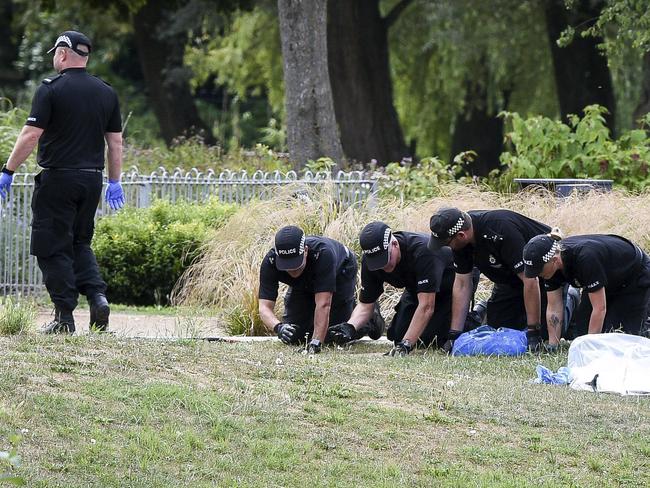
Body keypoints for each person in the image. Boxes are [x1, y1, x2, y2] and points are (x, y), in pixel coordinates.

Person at [0, 31, 124, 334]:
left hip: (58, 179)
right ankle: (98, 297)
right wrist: (114, 182)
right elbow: (116, 143)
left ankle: (63, 317)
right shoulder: (106, 92)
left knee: (51, 246)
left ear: (64, 54)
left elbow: (30, 135)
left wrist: (8, 170)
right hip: (92, 181)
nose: (55, 57)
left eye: (56, 52)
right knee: (80, 242)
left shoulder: (50, 90)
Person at [428, 207, 560, 352]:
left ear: (461, 235)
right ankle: (486, 308)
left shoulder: (500, 229)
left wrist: (534, 331)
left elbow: (530, 279)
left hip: (543, 275)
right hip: (508, 280)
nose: (447, 247)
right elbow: (462, 284)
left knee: (548, 332)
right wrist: (454, 335)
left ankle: (569, 299)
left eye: (446, 243)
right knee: (500, 331)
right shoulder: (460, 242)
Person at [329, 221, 456, 356]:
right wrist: (349, 327)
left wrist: (406, 344)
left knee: (432, 339)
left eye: (385, 259)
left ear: (394, 244)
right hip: (417, 290)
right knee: (397, 335)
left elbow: (426, 307)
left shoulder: (423, 251)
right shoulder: (371, 261)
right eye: (377, 262)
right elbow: (366, 305)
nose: (383, 267)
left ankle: (476, 315)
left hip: (450, 288)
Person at [258, 225, 382, 354]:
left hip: (341, 270)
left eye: (295, 264)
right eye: (286, 266)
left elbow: (323, 304)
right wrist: (279, 327)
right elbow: (264, 307)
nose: (291, 270)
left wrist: (316, 342)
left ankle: (370, 318)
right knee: (294, 335)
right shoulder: (270, 261)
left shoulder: (323, 254)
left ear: (305, 251)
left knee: (335, 334)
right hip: (304, 283)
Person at [523, 231, 650, 337]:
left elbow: (599, 308)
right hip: (605, 280)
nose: (537, 275)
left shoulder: (586, 258)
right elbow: (554, 306)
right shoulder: (550, 269)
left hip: (633, 276)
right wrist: (553, 344)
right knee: (582, 331)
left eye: (539, 270)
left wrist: (590, 346)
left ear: (554, 261)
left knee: (619, 336)